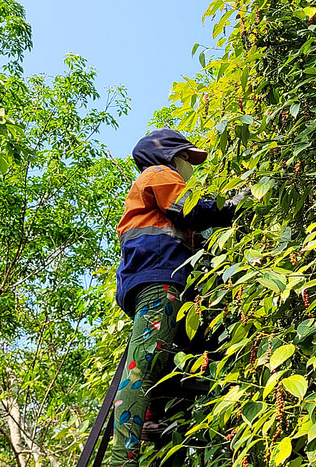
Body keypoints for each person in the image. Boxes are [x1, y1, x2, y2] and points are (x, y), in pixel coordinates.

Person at [110, 128, 245, 466]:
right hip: (160, 281)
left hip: (166, 281)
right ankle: (121, 456)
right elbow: (192, 209)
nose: (190, 167)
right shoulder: (158, 174)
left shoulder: (152, 190)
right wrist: (237, 202)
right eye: (187, 157)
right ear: (170, 157)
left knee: (168, 362)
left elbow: (190, 238)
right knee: (140, 367)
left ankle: (156, 420)